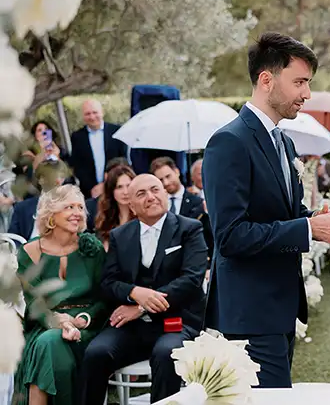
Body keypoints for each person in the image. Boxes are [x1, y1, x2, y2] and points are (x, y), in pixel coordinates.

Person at [202, 32, 330, 388]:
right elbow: (230, 236)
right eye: (300, 82)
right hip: (249, 315)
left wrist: (319, 220)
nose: (306, 94)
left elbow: (285, 213)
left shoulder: (284, 140)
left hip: (279, 309)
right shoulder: (229, 142)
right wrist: (309, 231)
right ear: (266, 79)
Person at [80, 174, 208, 403]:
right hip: (132, 328)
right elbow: (108, 283)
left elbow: (191, 280)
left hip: (176, 323)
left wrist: (141, 307)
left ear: (165, 194)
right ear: (131, 204)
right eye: (141, 194)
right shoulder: (121, 235)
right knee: (96, 352)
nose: (150, 197)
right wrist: (133, 292)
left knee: (166, 353)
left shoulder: (189, 229)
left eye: (155, 190)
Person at [14, 185, 107, 405]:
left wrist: (82, 320)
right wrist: (57, 321)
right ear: (51, 214)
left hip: (87, 328)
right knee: (48, 342)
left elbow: (105, 297)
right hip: (44, 324)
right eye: (69, 207)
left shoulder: (91, 248)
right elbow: (32, 302)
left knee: (49, 345)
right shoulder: (29, 252)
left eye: (80, 207)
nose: (77, 212)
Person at [69, 99, 128, 199]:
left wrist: (106, 183)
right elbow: (78, 166)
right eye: (87, 114)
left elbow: (122, 160)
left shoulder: (117, 131)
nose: (92, 117)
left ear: (102, 112)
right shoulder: (77, 137)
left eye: (95, 112)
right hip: (90, 193)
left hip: (115, 187)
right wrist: (92, 188)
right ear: (83, 116)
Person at [93, 165, 136, 250]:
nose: (125, 192)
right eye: (119, 187)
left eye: (128, 186)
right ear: (111, 191)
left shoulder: (143, 218)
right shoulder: (104, 220)